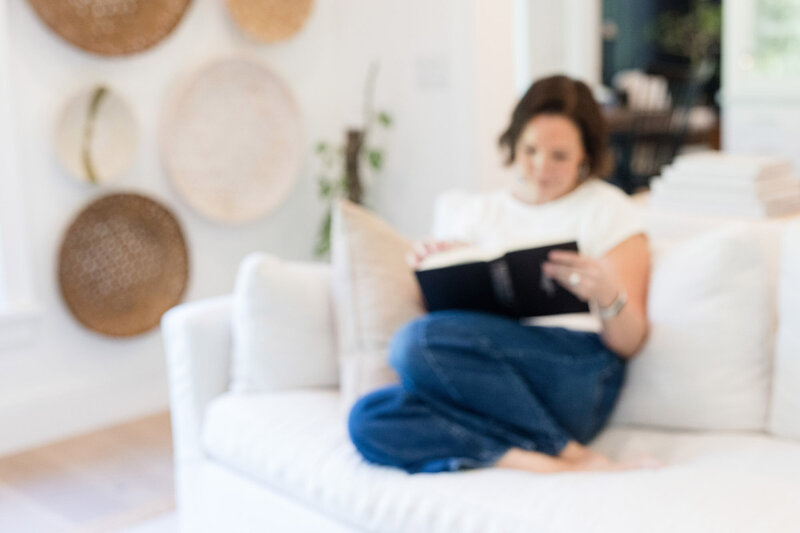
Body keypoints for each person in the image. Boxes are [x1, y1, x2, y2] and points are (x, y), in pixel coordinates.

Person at [348, 74, 655, 474]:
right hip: (484, 373)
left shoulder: (610, 210)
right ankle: (526, 456)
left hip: (573, 371)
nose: (542, 167)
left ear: (586, 154)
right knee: (368, 417)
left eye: (559, 156)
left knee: (414, 344)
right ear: (514, 143)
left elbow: (630, 343)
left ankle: (569, 452)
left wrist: (606, 294)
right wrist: (438, 265)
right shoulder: (476, 213)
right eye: (530, 150)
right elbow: (443, 329)